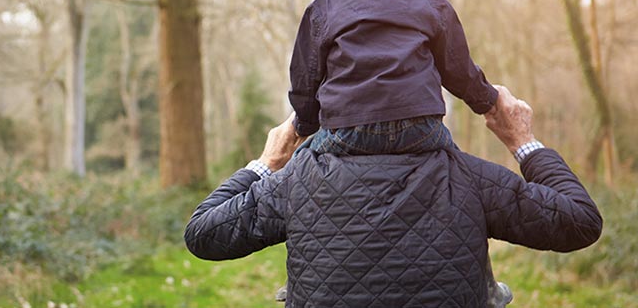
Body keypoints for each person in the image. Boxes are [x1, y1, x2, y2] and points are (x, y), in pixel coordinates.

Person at [285, 0, 507, 303]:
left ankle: (300, 280)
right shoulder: (430, 5)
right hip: (421, 131)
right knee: (459, 182)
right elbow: (460, 74)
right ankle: (486, 284)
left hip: (346, 133)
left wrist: (305, 126)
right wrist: (489, 102)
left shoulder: (322, 11)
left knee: (304, 179)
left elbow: (305, 84)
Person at [184, 86, 603, 307]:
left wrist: (267, 161)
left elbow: (204, 232)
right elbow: (578, 222)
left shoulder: (297, 181)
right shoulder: (469, 178)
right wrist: (523, 141)